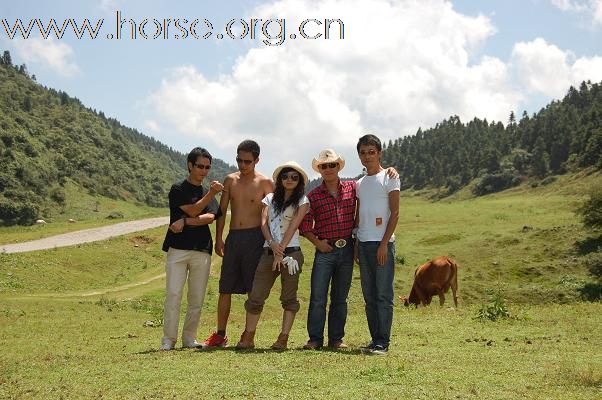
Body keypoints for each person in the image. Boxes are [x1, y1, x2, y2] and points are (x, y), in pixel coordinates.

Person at [203, 140, 273, 348]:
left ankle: (248, 334)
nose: (242, 165)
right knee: (225, 287)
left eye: (247, 161)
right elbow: (222, 212)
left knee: (253, 288)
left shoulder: (265, 182)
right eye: (239, 160)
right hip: (234, 237)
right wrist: (219, 238)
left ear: (257, 160)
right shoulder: (230, 180)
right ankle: (220, 334)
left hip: (256, 238)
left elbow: (273, 215)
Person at [235, 161, 310, 350]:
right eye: (285, 176)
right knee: (256, 295)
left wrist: (281, 250)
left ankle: (283, 338)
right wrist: (272, 244)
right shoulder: (269, 198)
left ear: (299, 180)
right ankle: (248, 336)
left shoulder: (302, 200)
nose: (289, 180)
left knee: (289, 297)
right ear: (279, 179)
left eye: (294, 177)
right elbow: (263, 222)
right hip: (268, 252)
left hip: (291, 254)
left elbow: (294, 226)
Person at [159, 147, 224, 350]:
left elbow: (210, 217)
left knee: (196, 297)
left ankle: (189, 339)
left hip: (202, 249)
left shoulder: (207, 192)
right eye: (199, 166)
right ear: (190, 165)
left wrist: (185, 221)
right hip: (178, 248)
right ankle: (168, 340)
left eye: (207, 167)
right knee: (173, 294)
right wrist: (211, 195)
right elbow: (196, 210)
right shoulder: (178, 189)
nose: (203, 171)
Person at [355, 134, 400, 355]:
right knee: (369, 295)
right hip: (363, 244)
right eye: (363, 153)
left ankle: (383, 342)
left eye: (371, 152)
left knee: (383, 294)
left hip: (383, 244)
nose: (367, 156)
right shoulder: (359, 184)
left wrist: (384, 243)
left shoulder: (390, 178)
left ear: (379, 153)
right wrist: (355, 243)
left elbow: (395, 213)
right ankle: (375, 340)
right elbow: (359, 216)